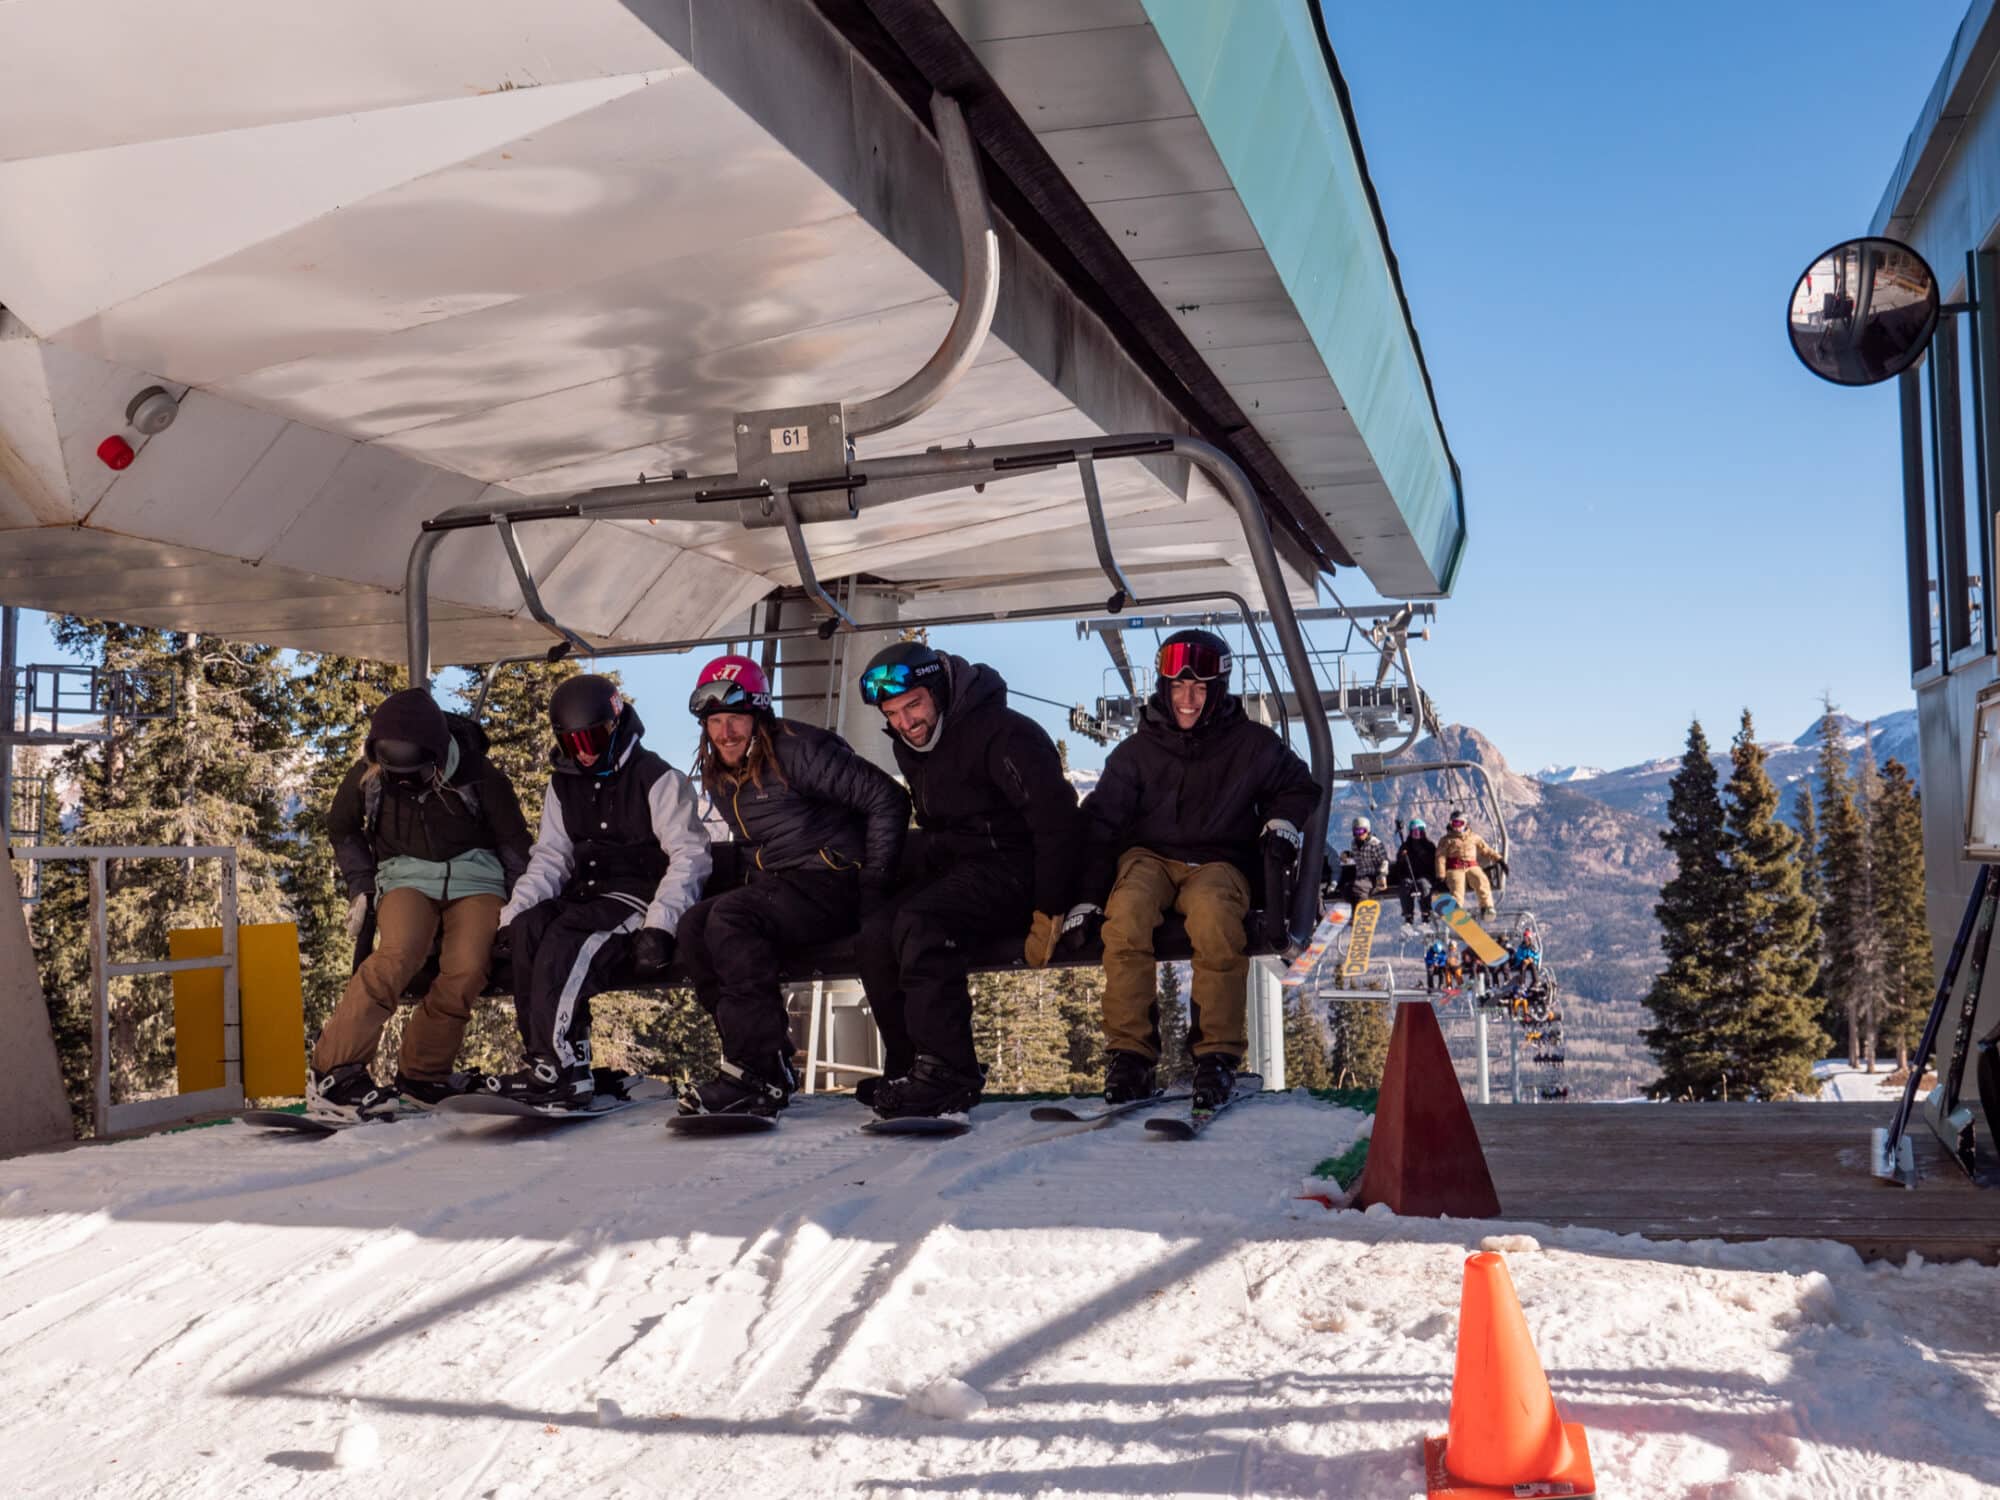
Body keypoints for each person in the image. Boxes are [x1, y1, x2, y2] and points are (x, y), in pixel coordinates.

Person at [1074, 630, 1318, 1111]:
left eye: (1200, 689)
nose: (1188, 700)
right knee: (1126, 917)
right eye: (1179, 688)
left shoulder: (1249, 745)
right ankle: (1130, 1054)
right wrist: (1085, 896)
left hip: (1219, 860)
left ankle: (1215, 1054)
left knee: (1214, 919)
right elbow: (1100, 826)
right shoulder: (1137, 753)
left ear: (1217, 691)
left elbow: (1298, 787)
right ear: (1164, 688)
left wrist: (1281, 821)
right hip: (1149, 858)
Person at [675, 656, 909, 1119]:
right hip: (785, 889)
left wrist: (875, 881)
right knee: (694, 928)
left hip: (833, 881)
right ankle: (761, 1061)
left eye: (735, 720)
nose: (725, 733)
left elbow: (888, 798)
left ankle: (756, 1073)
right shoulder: (720, 770)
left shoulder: (798, 751)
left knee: (731, 919)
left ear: (758, 716)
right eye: (715, 722)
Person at [853, 640, 1079, 1119]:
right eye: (892, 713)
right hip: (960, 870)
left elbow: (1056, 822)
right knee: (875, 934)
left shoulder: (1005, 735)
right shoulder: (913, 744)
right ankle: (909, 1064)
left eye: (913, 705)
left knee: (922, 924)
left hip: (1018, 870)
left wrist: (1051, 907)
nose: (906, 722)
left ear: (939, 690)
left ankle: (948, 1071)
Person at [488, 675, 711, 1109]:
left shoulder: (656, 778)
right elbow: (552, 857)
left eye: (593, 738)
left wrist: (661, 925)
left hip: (638, 898)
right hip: (586, 895)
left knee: (566, 938)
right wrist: (512, 917)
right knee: (533, 929)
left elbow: (690, 855)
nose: (586, 752)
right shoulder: (563, 784)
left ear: (615, 726)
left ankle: (559, 1066)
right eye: (574, 743)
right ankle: (548, 1063)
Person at [308, 689, 531, 1120]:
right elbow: (343, 828)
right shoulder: (369, 778)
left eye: (417, 774)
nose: (405, 782)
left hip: (476, 880)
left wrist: (520, 907)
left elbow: (514, 844)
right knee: (397, 954)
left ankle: (423, 1074)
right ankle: (334, 1071)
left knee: (467, 967)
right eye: (397, 775)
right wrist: (361, 885)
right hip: (405, 877)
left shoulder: (479, 776)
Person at [1435, 811, 1502, 920]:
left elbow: (1486, 850)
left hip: (1472, 866)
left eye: (1459, 823)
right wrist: (1441, 875)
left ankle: (1487, 907)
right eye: (1454, 823)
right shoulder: (1446, 840)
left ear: (1466, 824)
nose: (1456, 827)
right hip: (1455, 867)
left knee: (1482, 880)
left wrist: (1499, 859)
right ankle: (1455, 907)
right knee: (1457, 885)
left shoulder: (1473, 837)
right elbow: (1440, 857)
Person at [1333, 817, 1391, 906]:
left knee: (1358, 887)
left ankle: (1364, 907)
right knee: (1346, 889)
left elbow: (1384, 861)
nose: (1359, 834)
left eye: (1361, 831)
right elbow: (1357, 855)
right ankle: (1355, 912)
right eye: (1356, 832)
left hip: (1374, 877)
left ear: (1367, 831)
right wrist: (1347, 854)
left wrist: (1382, 875)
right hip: (1361, 876)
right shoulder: (1354, 843)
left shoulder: (1374, 844)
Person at [1391, 816, 1437, 924]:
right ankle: (1408, 916)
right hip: (1410, 876)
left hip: (1425, 875)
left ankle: (1426, 914)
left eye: (1420, 832)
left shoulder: (1429, 846)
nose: (1417, 835)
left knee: (1423, 885)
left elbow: (1433, 862)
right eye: (1414, 832)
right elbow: (1399, 864)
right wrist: (1402, 857)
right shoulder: (1406, 846)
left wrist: (1423, 854)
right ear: (1410, 833)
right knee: (1405, 885)